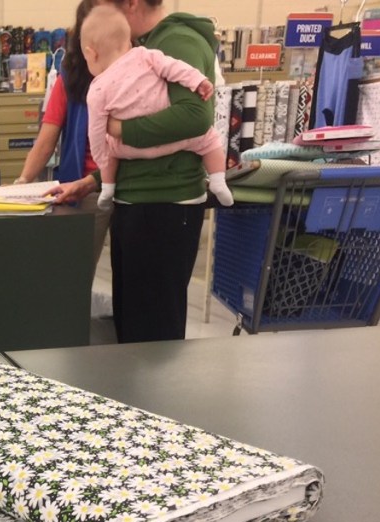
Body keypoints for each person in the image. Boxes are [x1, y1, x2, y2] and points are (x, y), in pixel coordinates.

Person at [92, 0, 218, 344]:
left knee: (153, 335)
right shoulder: (148, 45)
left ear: (130, 4)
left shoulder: (177, 42)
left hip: (164, 204)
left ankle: (154, 400)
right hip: (141, 201)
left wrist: (119, 128)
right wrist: (93, 181)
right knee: (134, 326)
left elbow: (196, 115)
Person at [81, 5, 232, 210]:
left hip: (164, 197)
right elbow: (176, 69)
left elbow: (195, 116)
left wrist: (115, 134)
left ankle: (107, 188)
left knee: (111, 150)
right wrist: (198, 81)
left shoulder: (175, 41)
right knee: (210, 141)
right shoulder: (145, 51)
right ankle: (218, 180)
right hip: (146, 190)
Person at [15, 0, 110, 275]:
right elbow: (47, 138)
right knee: (77, 271)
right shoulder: (71, 76)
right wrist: (22, 183)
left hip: (125, 189)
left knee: (127, 281)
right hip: (85, 188)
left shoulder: (133, 70)